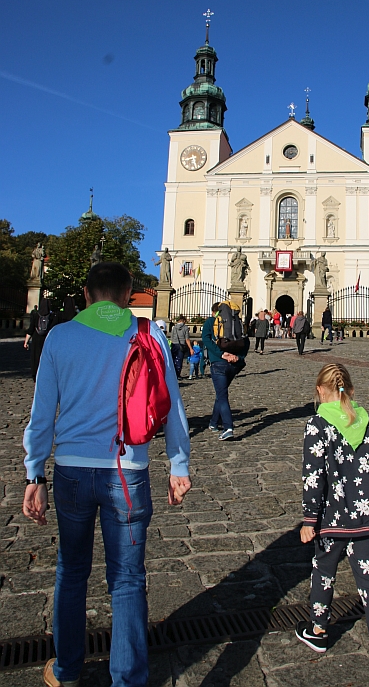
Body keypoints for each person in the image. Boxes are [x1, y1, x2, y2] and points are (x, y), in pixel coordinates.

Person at [22, 262, 191, 687]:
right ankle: (128, 680)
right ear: (129, 294)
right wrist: (179, 464)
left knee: (71, 571)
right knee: (129, 578)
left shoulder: (61, 336)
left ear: (85, 293)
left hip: (72, 472)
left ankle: (67, 669)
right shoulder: (149, 333)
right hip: (128, 471)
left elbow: (41, 415)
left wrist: (34, 474)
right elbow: (170, 406)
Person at [296, 363, 369, 687]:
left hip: (332, 518)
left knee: (323, 571)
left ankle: (318, 629)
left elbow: (313, 477)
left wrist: (308, 519)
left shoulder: (317, 425)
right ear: (351, 391)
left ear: (319, 391)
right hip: (368, 518)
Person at [202, 301, 249, 440]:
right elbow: (246, 342)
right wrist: (238, 357)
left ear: (214, 311)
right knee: (220, 393)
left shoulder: (211, 321)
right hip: (234, 365)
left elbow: (205, 339)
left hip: (218, 364)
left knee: (222, 395)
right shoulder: (238, 323)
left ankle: (228, 427)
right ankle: (213, 423)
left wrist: (221, 354)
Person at [24, 298, 57, 382]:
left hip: (36, 339)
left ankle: (35, 373)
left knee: (36, 357)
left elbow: (31, 329)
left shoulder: (36, 315)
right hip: (46, 339)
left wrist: (26, 341)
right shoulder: (52, 316)